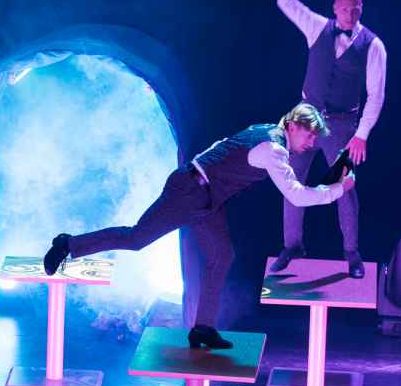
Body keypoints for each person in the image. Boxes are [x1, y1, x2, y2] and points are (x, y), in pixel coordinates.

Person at [43, 103, 355, 349]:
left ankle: (202, 328)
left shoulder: (263, 130)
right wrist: (338, 190)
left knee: (222, 256)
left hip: (206, 198)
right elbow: (296, 195)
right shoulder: (273, 149)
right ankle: (68, 244)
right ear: (293, 125)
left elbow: (220, 147)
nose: (311, 143)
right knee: (136, 239)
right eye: (309, 135)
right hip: (189, 193)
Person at [272, 0, 388, 278]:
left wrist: (361, 135)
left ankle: (351, 253)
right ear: (335, 7)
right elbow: (287, 3)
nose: (349, 14)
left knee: (344, 188)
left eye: (355, 9)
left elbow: (376, 95)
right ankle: (292, 245)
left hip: (342, 124)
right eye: (345, 8)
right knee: (291, 180)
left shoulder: (373, 46)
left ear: (361, 9)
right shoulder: (317, 27)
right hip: (305, 121)